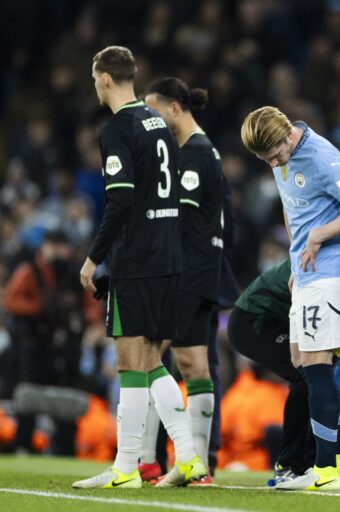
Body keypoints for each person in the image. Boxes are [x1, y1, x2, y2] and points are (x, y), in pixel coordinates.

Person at [73, 46, 205, 489]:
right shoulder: (159, 124)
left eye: (94, 78)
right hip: (168, 256)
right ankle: (189, 456)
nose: (95, 86)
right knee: (150, 362)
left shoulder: (117, 128)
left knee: (130, 360)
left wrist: (94, 257)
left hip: (138, 259)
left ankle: (126, 466)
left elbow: (121, 200)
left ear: (105, 78)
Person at [241, 106, 340, 491]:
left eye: (275, 155)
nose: (273, 163)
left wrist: (318, 235)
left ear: (287, 136)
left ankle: (325, 468)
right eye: (265, 159)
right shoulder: (279, 156)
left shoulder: (320, 156)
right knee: (301, 360)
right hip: (308, 271)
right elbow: (290, 205)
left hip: (332, 268)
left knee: (316, 363)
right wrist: (296, 259)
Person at [136, 77, 226, 485]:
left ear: (174, 108)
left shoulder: (194, 155)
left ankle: (148, 459)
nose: (151, 121)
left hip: (187, 271)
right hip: (204, 270)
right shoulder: (205, 151)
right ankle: (196, 464)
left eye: (154, 112)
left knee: (147, 357)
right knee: (192, 363)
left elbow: (180, 220)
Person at [227, 245, 340, 485]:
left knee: (318, 376)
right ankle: (289, 463)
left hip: (287, 316)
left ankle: (316, 461)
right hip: (256, 318)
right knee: (308, 375)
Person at [4, 229, 101, 454]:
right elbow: (11, 301)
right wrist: (40, 307)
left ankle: (66, 448)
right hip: (35, 345)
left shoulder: (76, 274)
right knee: (29, 394)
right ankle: (24, 444)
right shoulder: (31, 271)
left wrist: (78, 316)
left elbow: (93, 309)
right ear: (44, 247)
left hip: (67, 347)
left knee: (66, 397)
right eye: (53, 246)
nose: (57, 251)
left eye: (61, 246)